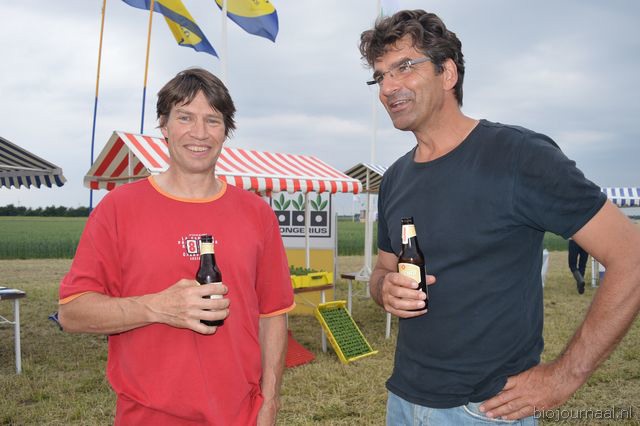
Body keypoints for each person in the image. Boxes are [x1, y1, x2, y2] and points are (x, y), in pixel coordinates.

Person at [360, 10, 640, 425]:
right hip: (402, 401)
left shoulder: (518, 156)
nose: (388, 87)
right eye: (380, 76)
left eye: (404, 67)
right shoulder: (397, 177)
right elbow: (383, 270)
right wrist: (384, 289)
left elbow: (631, 256)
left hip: (485, 410)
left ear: (447, 73)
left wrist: (564, 376)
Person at [58, 68, 295, 425]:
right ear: (164, 125)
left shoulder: (256, 212)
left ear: (225, 131)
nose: (199, 133)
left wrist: (270, 401)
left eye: (212, 120)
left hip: (241, 414)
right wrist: (156, 307)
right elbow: (73, 313)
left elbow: (273, 313)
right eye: (185, 117)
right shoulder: (119, 208)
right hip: (147, 416)